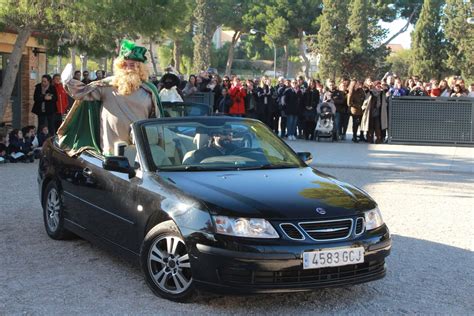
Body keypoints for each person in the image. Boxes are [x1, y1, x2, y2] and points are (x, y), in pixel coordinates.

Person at [59, 39, 162, 156]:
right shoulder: (107, 85)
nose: (127, 68)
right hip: (111, 152)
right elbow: (82, 92)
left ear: (140, 68)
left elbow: (157, 120)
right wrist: (68, 81)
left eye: (132, 65)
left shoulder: (149, 90)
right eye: (124, 64)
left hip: (141, 152)